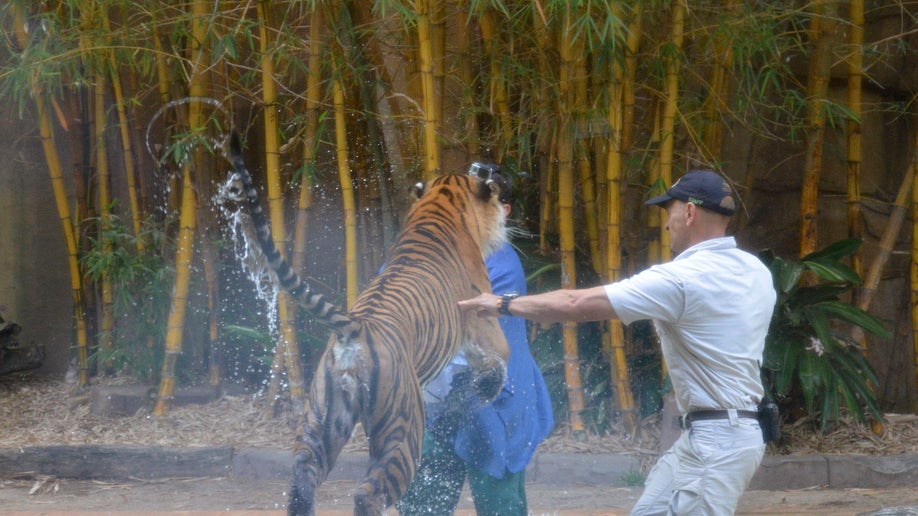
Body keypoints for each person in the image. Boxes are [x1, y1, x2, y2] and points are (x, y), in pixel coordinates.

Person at [459, 169, 776, 515]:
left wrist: (502, 303)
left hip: (716, 442)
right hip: (717, 434)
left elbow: (575, 304)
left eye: (668, 212)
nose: (666, 225)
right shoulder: (755, 271)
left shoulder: (684, 279)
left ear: (689, 212)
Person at [396, 164, 554, 516]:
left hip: (496, 404)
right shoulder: (426, 248)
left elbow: (456, 335)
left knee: (499, 507)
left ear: (500, 210)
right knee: (421, 507)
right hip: (438, 406)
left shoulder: (502, 264)